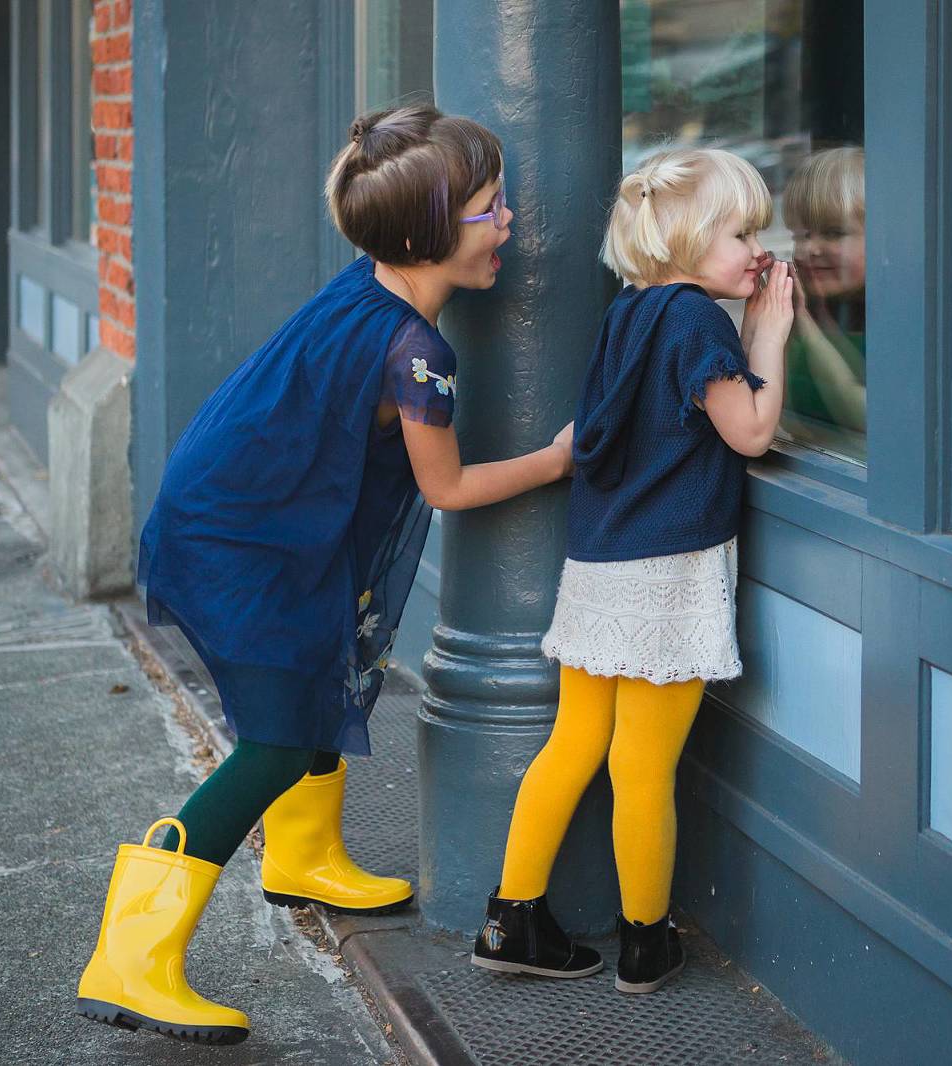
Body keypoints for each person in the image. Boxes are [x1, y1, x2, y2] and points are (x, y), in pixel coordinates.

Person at [76, 103, 573, 1046]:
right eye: (490, 209)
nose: (508, 221)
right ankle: (133, 955)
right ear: (429, 236)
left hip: (245, 523)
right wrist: (558, 460)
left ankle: (304, 855)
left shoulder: (374, 290)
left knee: (317, 674)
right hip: (240, 545)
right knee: (270, 740)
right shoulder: (419, 352)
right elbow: (452, 486)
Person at [469, 147, 794, 995]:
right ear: (687, 242)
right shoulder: (698, 322)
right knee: (643, 766)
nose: (757, 248)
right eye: (741, 232)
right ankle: (646, 940)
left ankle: (512, 915)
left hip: (601, 562)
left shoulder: (632, 311)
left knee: (574, 744)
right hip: (668, 569)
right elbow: (752, 432)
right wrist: (771, 335)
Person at [781, 146, 868, 452]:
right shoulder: (814, 308)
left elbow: (873, 420)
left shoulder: (908, 322)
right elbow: (789, 420)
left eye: (832, 233)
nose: (807, 251)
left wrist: (806, 324)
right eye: (800, 235)